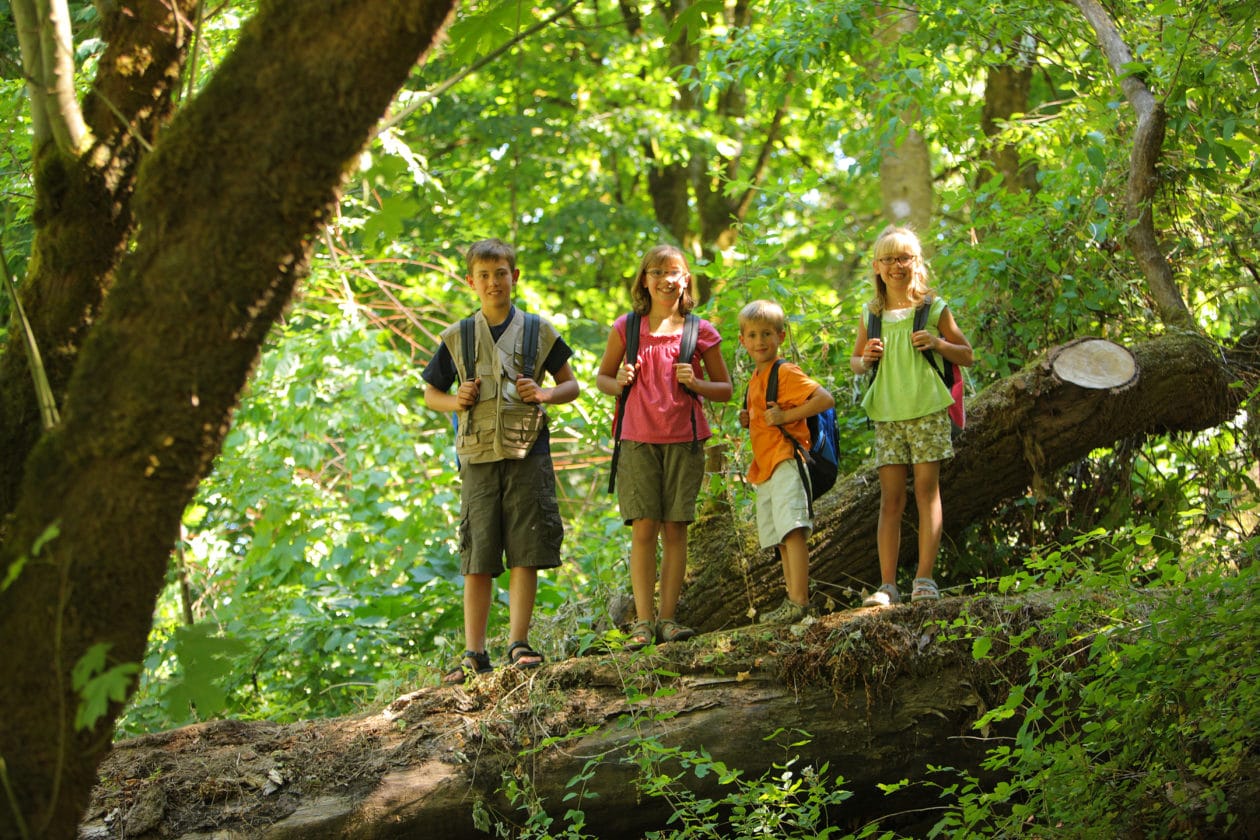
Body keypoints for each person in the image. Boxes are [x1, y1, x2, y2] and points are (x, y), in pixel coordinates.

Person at [422, 238, 580, 683]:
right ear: (471, 282)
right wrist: (455, 401)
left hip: (528, 452)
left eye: (502, 273)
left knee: (526, 548)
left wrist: (544, 393)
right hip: (477, 457)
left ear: (515, 276)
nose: (494, 282)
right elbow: (430, 391)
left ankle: (518, 642)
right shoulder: (458, 336)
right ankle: (474, 651)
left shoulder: (537, 331)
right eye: (485, 275)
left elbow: (572, 385)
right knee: (478, 552)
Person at [596, 245, 732, 649]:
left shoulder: (699, 331)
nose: (665, 279)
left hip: (685, 440)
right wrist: (618, 378)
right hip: (637, 439)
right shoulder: (627, 328)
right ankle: (642, 623)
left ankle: (668, 620)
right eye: (656, 272)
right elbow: (602, 379)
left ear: (686, 279)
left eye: (674, 272)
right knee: (643, 528)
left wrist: (697, 382)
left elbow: (724, 389)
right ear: (644, 280)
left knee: (675, 529)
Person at [850, 226, 973, 606]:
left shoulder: (932, 308)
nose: (895, 266)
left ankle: (924, 579)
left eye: (903, 258)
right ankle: (887, 586)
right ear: (876, 267)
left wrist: (937, 343)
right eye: (887, 259)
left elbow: (966, 353)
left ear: (915, 263)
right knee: (890, 499)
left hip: (927, 411)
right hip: (888, 413)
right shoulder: (871, 314)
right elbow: (855, 363)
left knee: (926, 491)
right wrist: (865, 358)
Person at [737, 300, 835, 624]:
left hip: (786, 461)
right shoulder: (755, 377)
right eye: (752, 335)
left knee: (793, 531)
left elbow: (824, 398)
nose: (760, 341)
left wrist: (787, 416)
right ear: (743, 341)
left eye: (767, 333)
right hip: (765, 468)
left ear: (780, 336)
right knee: (781, 536)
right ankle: (793, 599)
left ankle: (800, 601)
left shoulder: (785, 371)